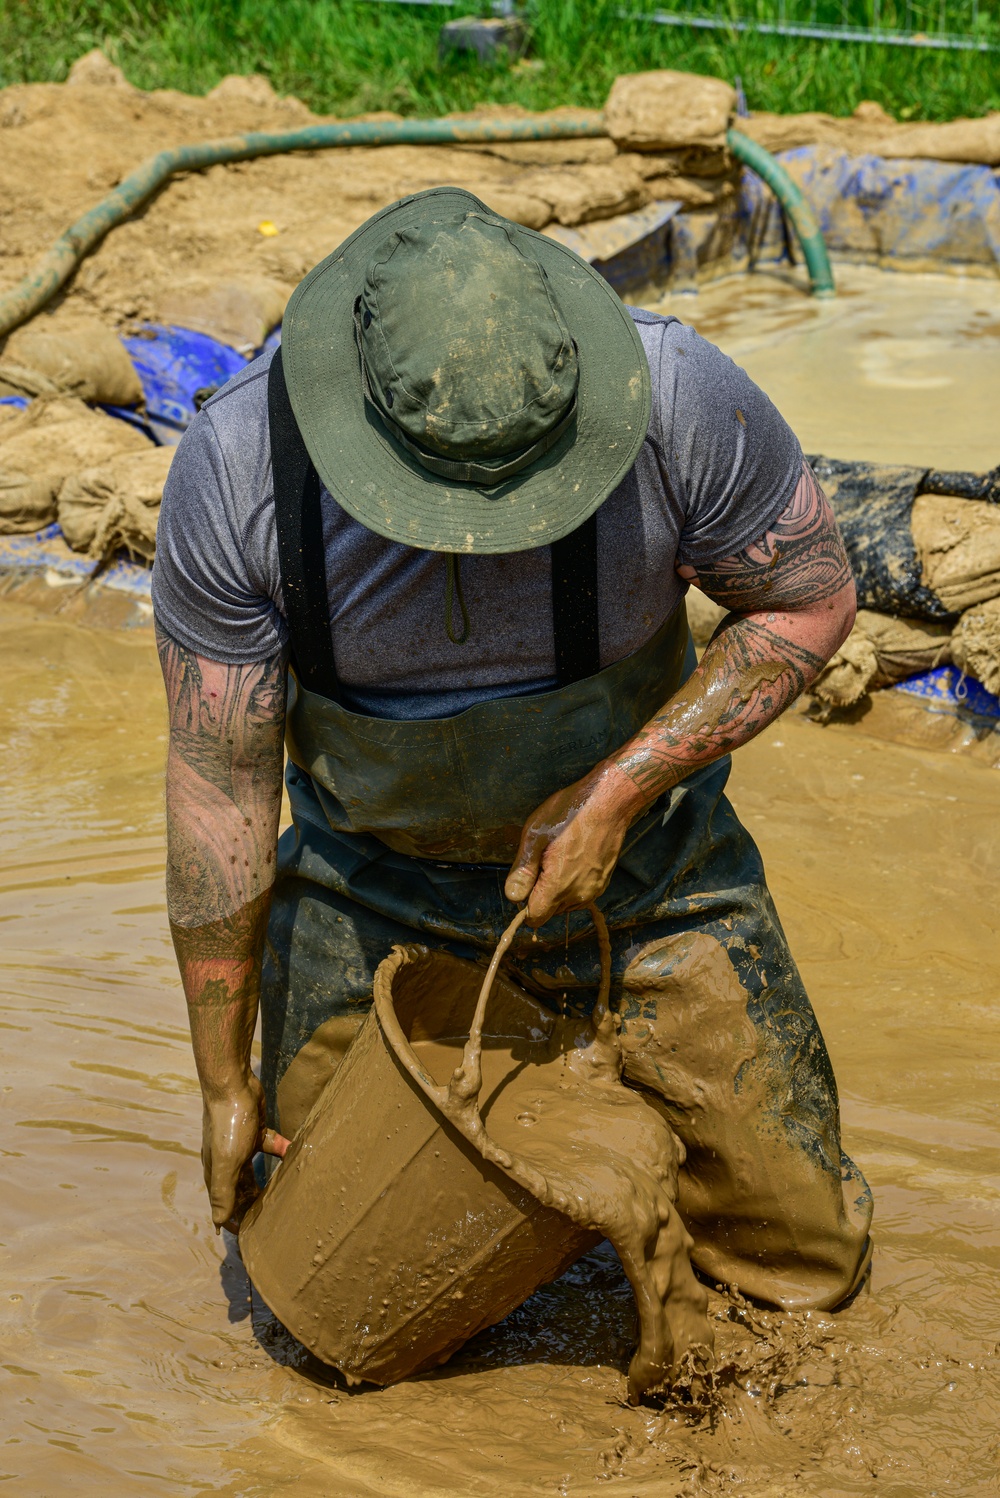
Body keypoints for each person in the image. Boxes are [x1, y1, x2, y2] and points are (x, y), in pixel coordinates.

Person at [153, 187, 873, 1312]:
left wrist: (621, 789)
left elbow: (812, 602)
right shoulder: (241, 464)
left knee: (801, 1268)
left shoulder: (679, 398)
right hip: (373, 889)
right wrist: (219, 1080)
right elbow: (218, 793)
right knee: (325, 1280)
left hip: (653, 882)